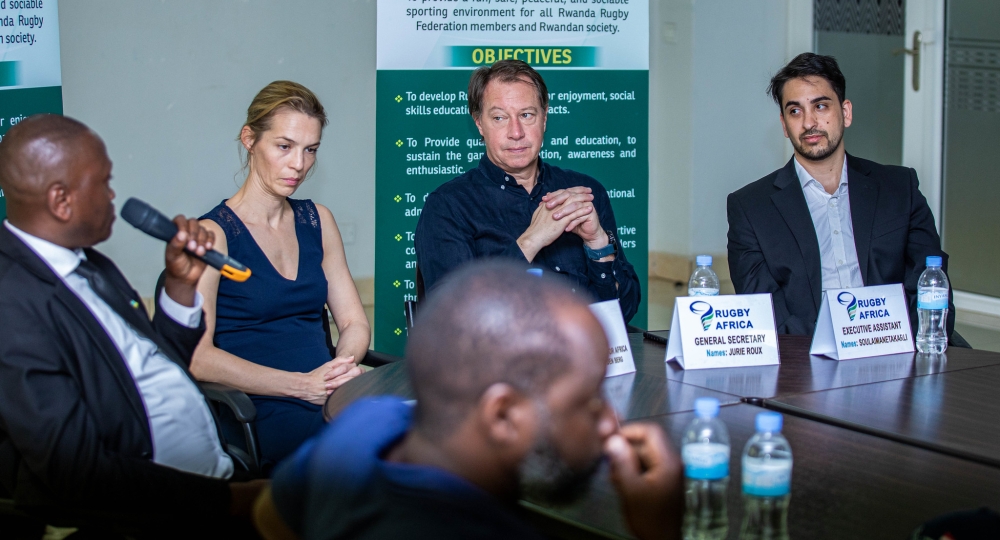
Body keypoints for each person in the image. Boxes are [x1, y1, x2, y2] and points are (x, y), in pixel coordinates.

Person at [253, 260, 683, 540]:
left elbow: (270, 518)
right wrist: (659, 532)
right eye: (587, 401)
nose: (611, 420)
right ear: (502, 415)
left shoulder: (366, 422)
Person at [0, 114, 264, 536]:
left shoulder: (90, 263)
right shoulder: (12, 305)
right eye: (104, 182)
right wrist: (234, 501)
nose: (112, 195)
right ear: (61, 200)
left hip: (214, 479)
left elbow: (161, 364)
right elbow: (77, 473)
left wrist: (181, 285)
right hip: (151, 514)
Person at [191, 81, 371, 466]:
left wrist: (339, 368)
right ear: (250, 139)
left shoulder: (318, 220)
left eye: (310, 150)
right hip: (258, 409)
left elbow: (354, 322)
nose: (299, 165)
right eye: (284, 146)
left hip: (327, 394)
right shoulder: (213, 235)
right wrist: (301, 386)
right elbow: (199, 358)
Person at [727, 52, 957, 337]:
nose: (809, 122)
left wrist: (896, 340)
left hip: (895, 345)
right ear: (784, 125)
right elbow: (765, 311)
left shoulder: (899, 188)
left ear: (845, 113)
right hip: (807, 355)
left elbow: (929, 284)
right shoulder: (750, 208)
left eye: (821, 106)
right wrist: (833, 342)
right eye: (795, 111)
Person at [415, 60, 641, 321]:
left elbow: (624, 312)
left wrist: (597, 244)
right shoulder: (447, 206)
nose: (516, 132)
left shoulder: (585, 194)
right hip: (498, 348)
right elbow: (450, 316)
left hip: (580, 344)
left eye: (526, 115)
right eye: (499, 118)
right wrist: (531, 241)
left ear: (544, 119)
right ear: (479, 124)